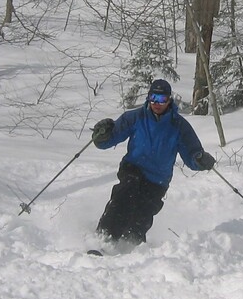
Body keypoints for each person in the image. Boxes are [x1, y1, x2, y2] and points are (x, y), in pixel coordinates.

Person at [92, 79, 216, 245]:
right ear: (148, 98)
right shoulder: (135, 117)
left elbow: (192, 154)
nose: (157, 103)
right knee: (126, 193)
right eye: (154, 98)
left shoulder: (179, 126)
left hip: (157, 179)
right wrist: (102, 135)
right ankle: (104, 238)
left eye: (162, 99)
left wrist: (201, 160)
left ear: (169, 100)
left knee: (143, 213)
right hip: (133, 167)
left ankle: (129, 246)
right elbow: (108, 140)